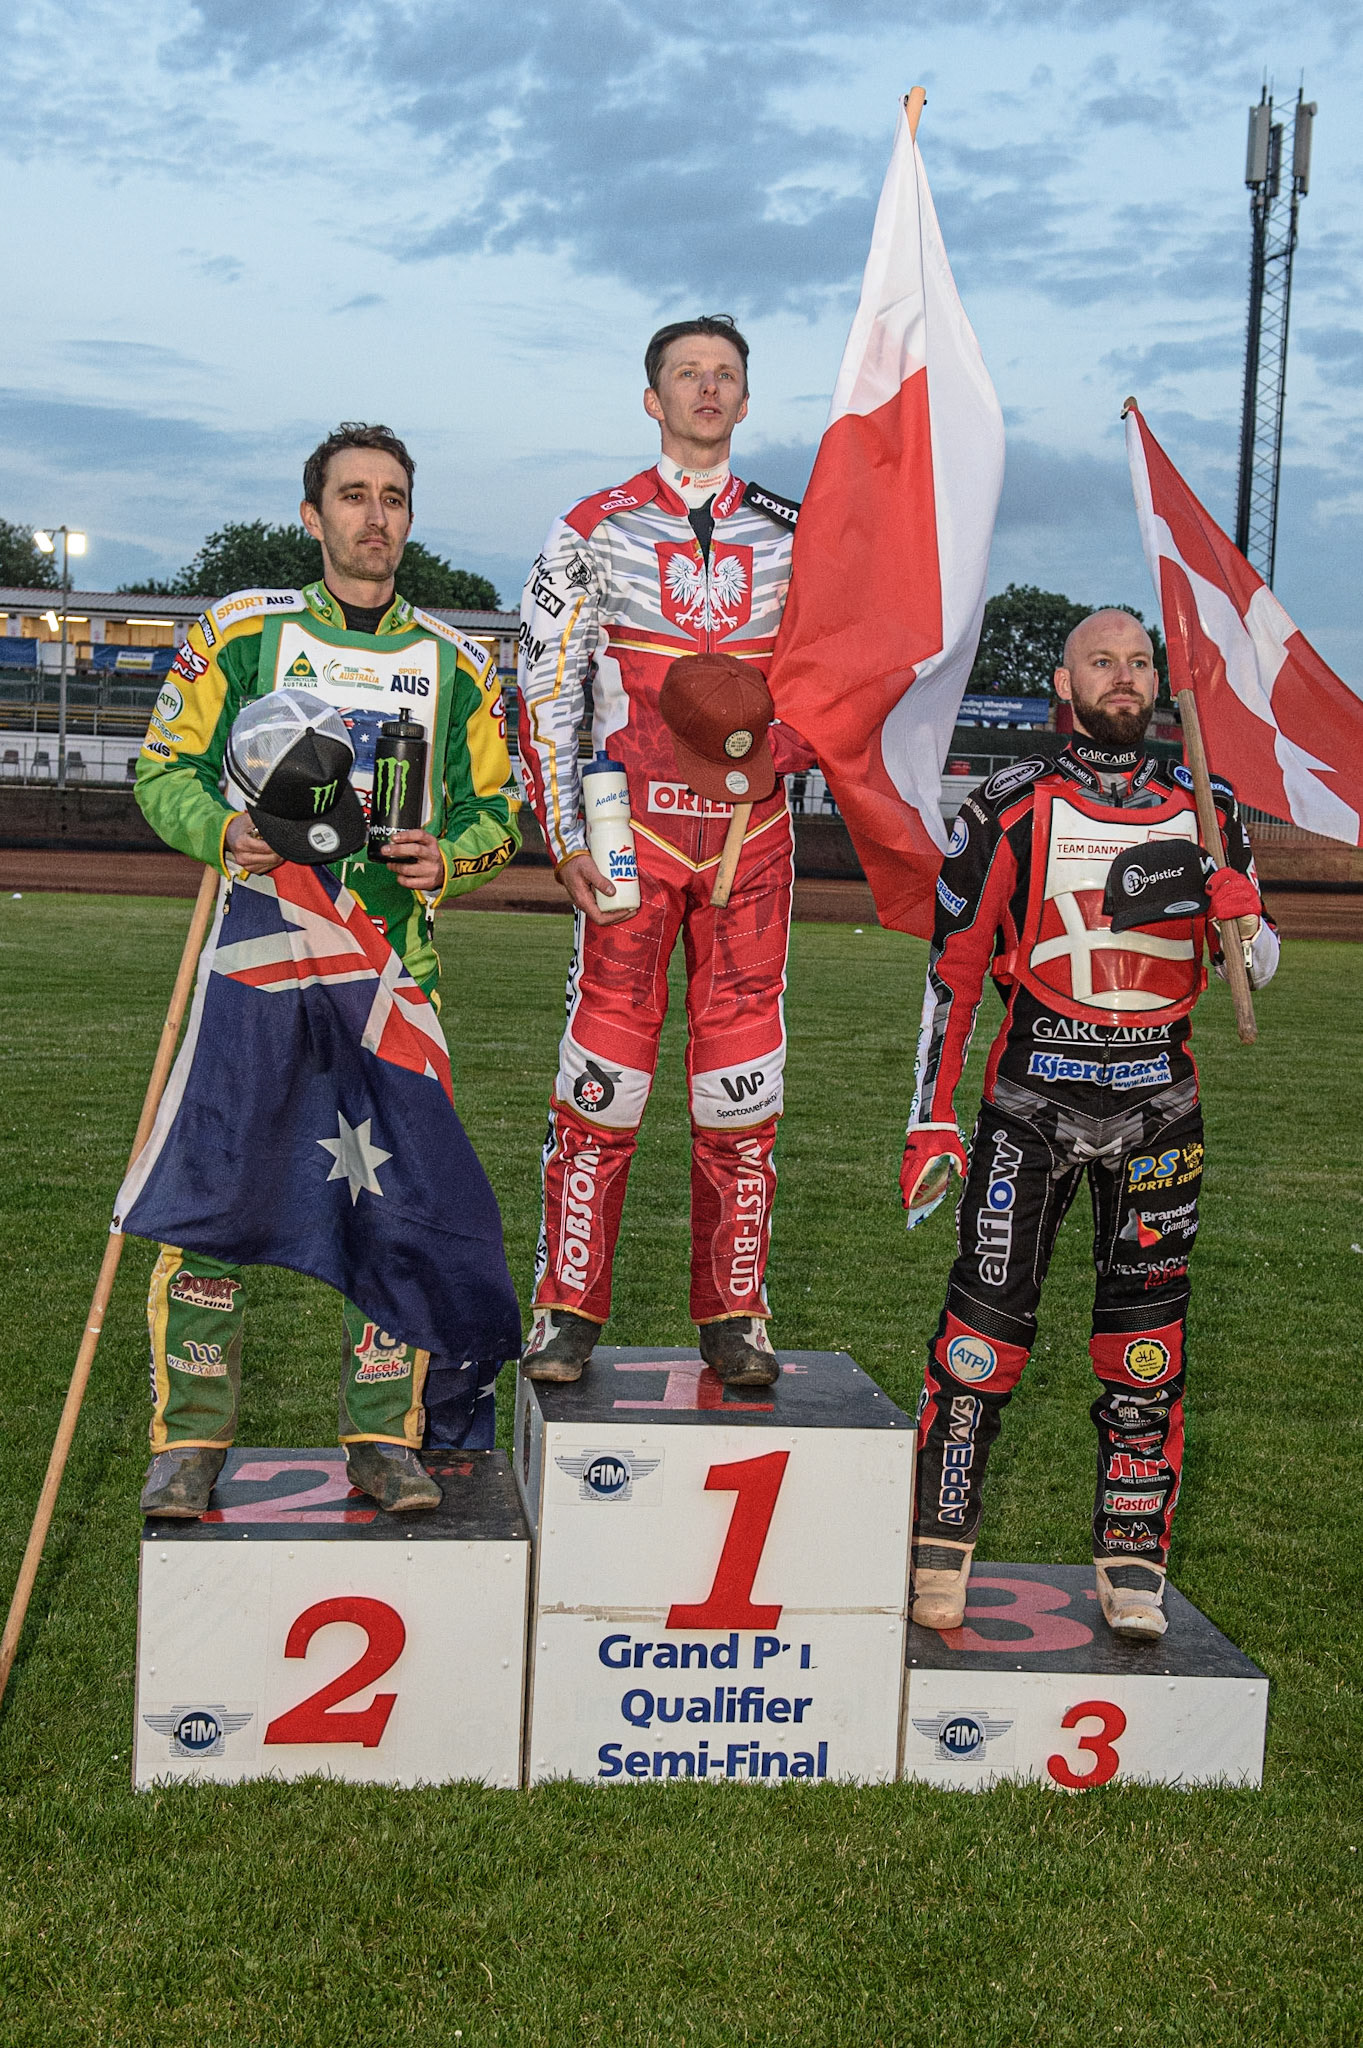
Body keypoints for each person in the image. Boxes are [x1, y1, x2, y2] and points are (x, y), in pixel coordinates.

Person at [133, 421, 520, 1516]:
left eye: (393, 496)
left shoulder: (456, 660)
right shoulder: (240, 631)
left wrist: (458, 854)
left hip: (390, 974)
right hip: (258, 964)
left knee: (394, 1207)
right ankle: (191, 1437)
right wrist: (221, 829)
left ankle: (379, 1435)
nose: (374, 515)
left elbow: (499, 812)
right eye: (352, 495)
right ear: (313, 516)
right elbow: (162, 770)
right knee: (206, 1197)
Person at [901, 609, 1278, 1641]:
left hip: (1161, 1107)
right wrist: (929, 1119)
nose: (1124, 676)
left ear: (1157, 683)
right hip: (1028, 1106)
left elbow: (1252, 969)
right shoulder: (1008, 803)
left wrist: (1243, 919)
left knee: (1143, 1345)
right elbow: (953, 970)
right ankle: (939, 1541)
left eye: (1139, 661)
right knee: (981, 1338)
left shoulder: (1207, 805)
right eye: (1101, 661)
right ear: (1061, 685)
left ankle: (1131, 1555)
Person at [515, 315, 812, 1387]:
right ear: (652, 398)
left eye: (724, 374)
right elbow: (544, 686)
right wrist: (558, 841)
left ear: (744, 398)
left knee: (741, 1086)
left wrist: (794, 744)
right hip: (625, 838)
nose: (706, 388)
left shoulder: (798, 529)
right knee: (601, 1080)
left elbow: (837, 675)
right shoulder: (591, 527)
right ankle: (564, 1306)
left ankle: (736, 1313)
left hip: (751, 840)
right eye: (686, 373)